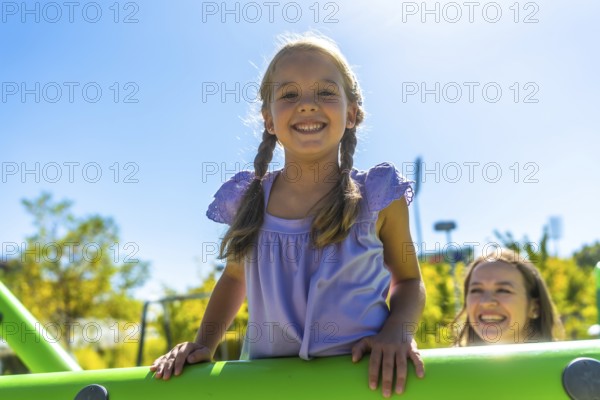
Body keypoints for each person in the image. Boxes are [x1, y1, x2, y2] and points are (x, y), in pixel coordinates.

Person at [150, 32, 425, 397]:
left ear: (353, 114)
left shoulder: (378, 195)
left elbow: (408, 282)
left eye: (326, 92)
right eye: (289, 94)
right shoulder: (249, 199)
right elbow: (234, 279)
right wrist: (204, 343)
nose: (307, 104)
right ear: (269, 120)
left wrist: (397, 332)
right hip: (272, 387)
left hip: (363, 384)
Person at [453, 247, 564, 346]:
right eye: (476, 290)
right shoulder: (446, 368)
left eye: (503, 290)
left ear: (535, 307)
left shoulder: (571, 366)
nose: (486, 302)